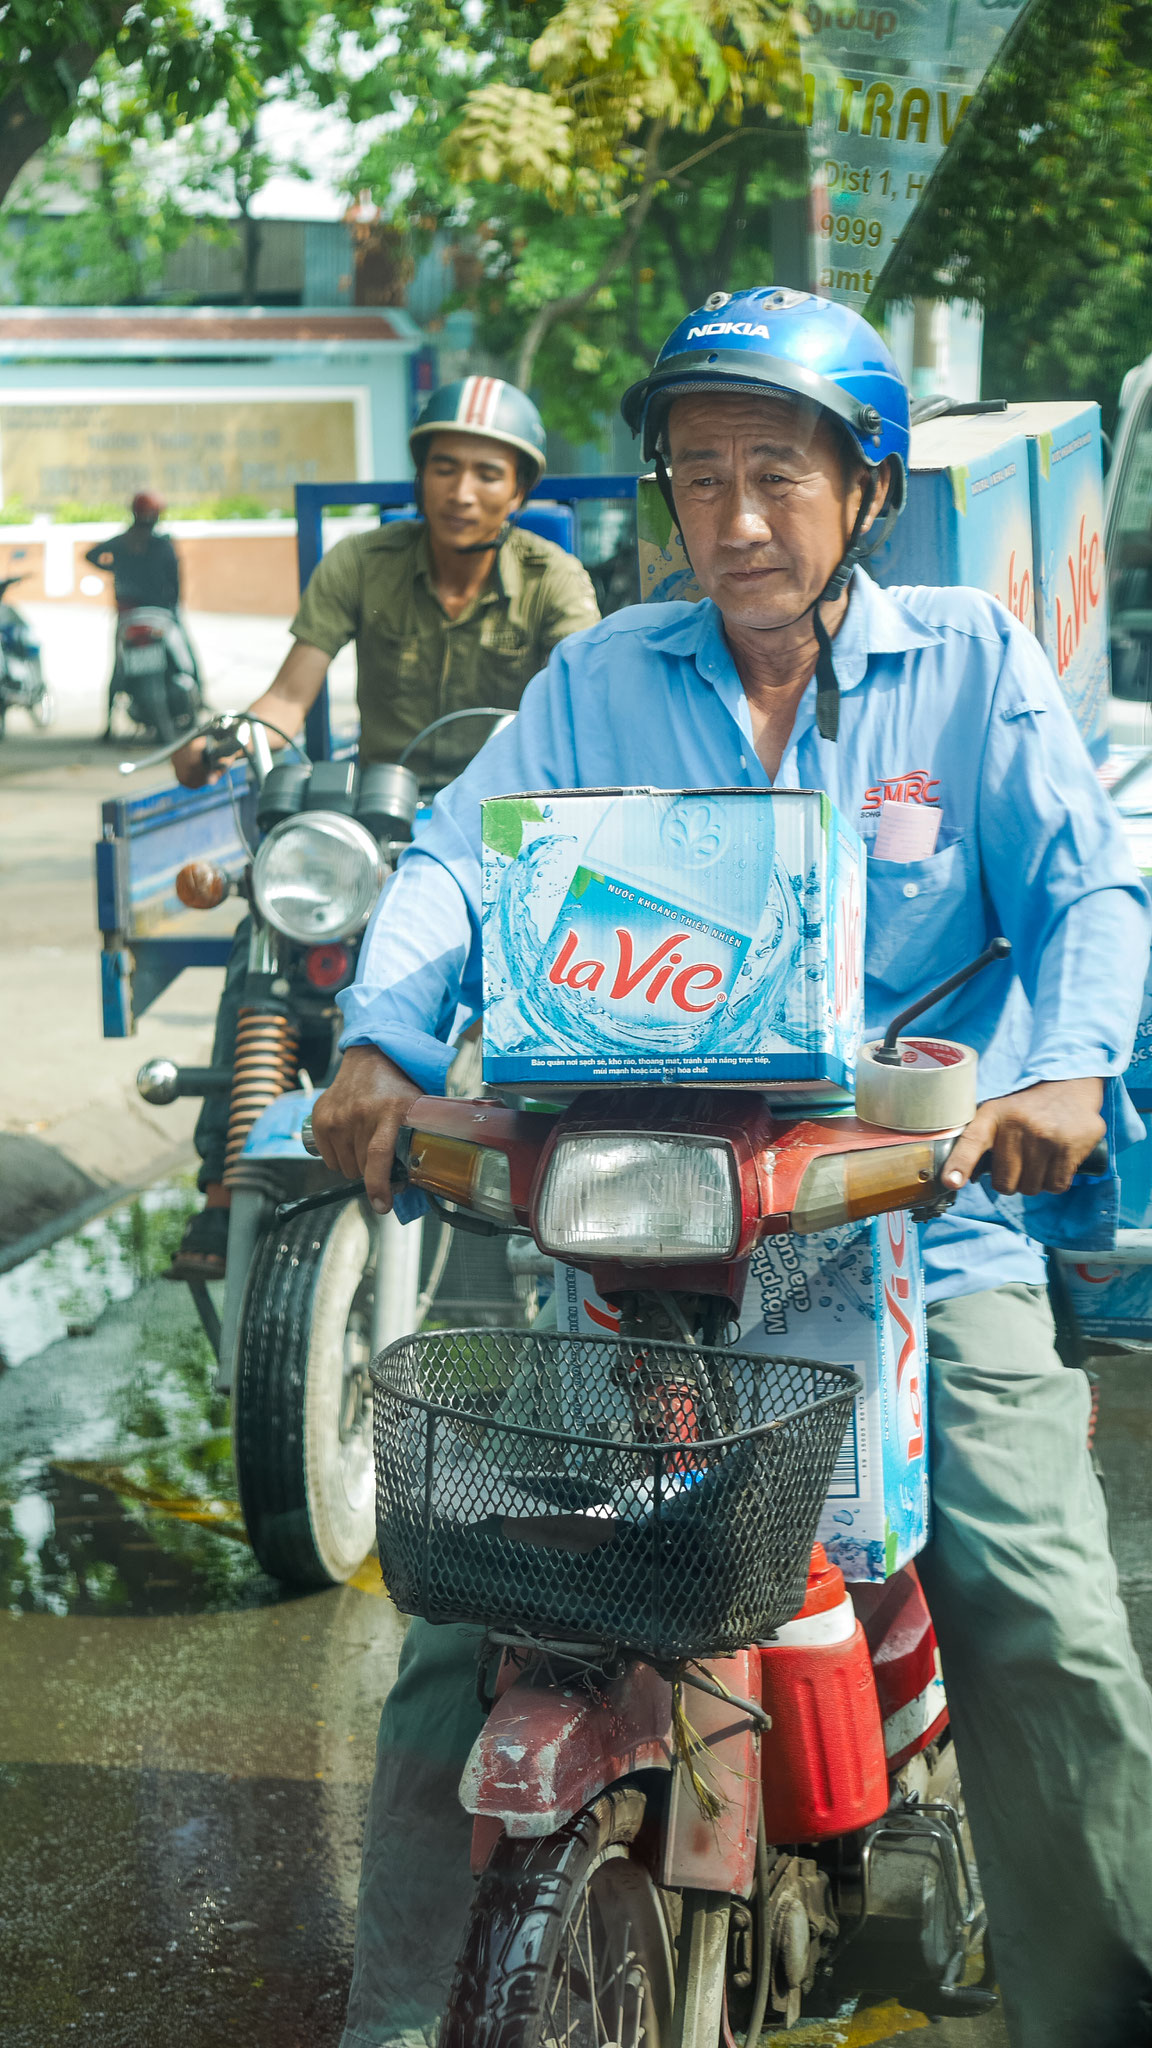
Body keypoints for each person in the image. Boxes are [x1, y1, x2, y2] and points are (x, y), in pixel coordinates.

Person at [312, 288, 1152, 2048]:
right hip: (645, 1229)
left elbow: (1084, 889)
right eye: (699, 478)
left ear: (865, 489)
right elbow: (463, 864)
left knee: (1044, 1623)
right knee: (472, 1615)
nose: (736, 517)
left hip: (923, 1225)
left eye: (777, 472)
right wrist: (385, 1043)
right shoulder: (602, 674)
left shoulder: (971, 667)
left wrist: (1064, 1067)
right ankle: (394, 2020)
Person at [165, 379, 600, 1278]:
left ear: (520, 492)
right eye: (445, 466)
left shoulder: (552, 578)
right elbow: (288, 697)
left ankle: (579, 1175)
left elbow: (584, 702)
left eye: (489, 472)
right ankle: (221, 1180)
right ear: (420, 476)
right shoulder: (361, 562)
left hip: (498, 822)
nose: (463, 490)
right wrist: (229, 737)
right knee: (271, 932)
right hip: (378, 821)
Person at [88, 492, 200, 722]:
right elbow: (176, 580)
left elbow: (91, 555)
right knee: (187, 660)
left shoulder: (123, 542)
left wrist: (114, 568)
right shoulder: (162, 544)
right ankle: (198, 702)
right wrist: (175, 607)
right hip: (160, 612)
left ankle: (108, 724)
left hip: (128, 614)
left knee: (118, 667)